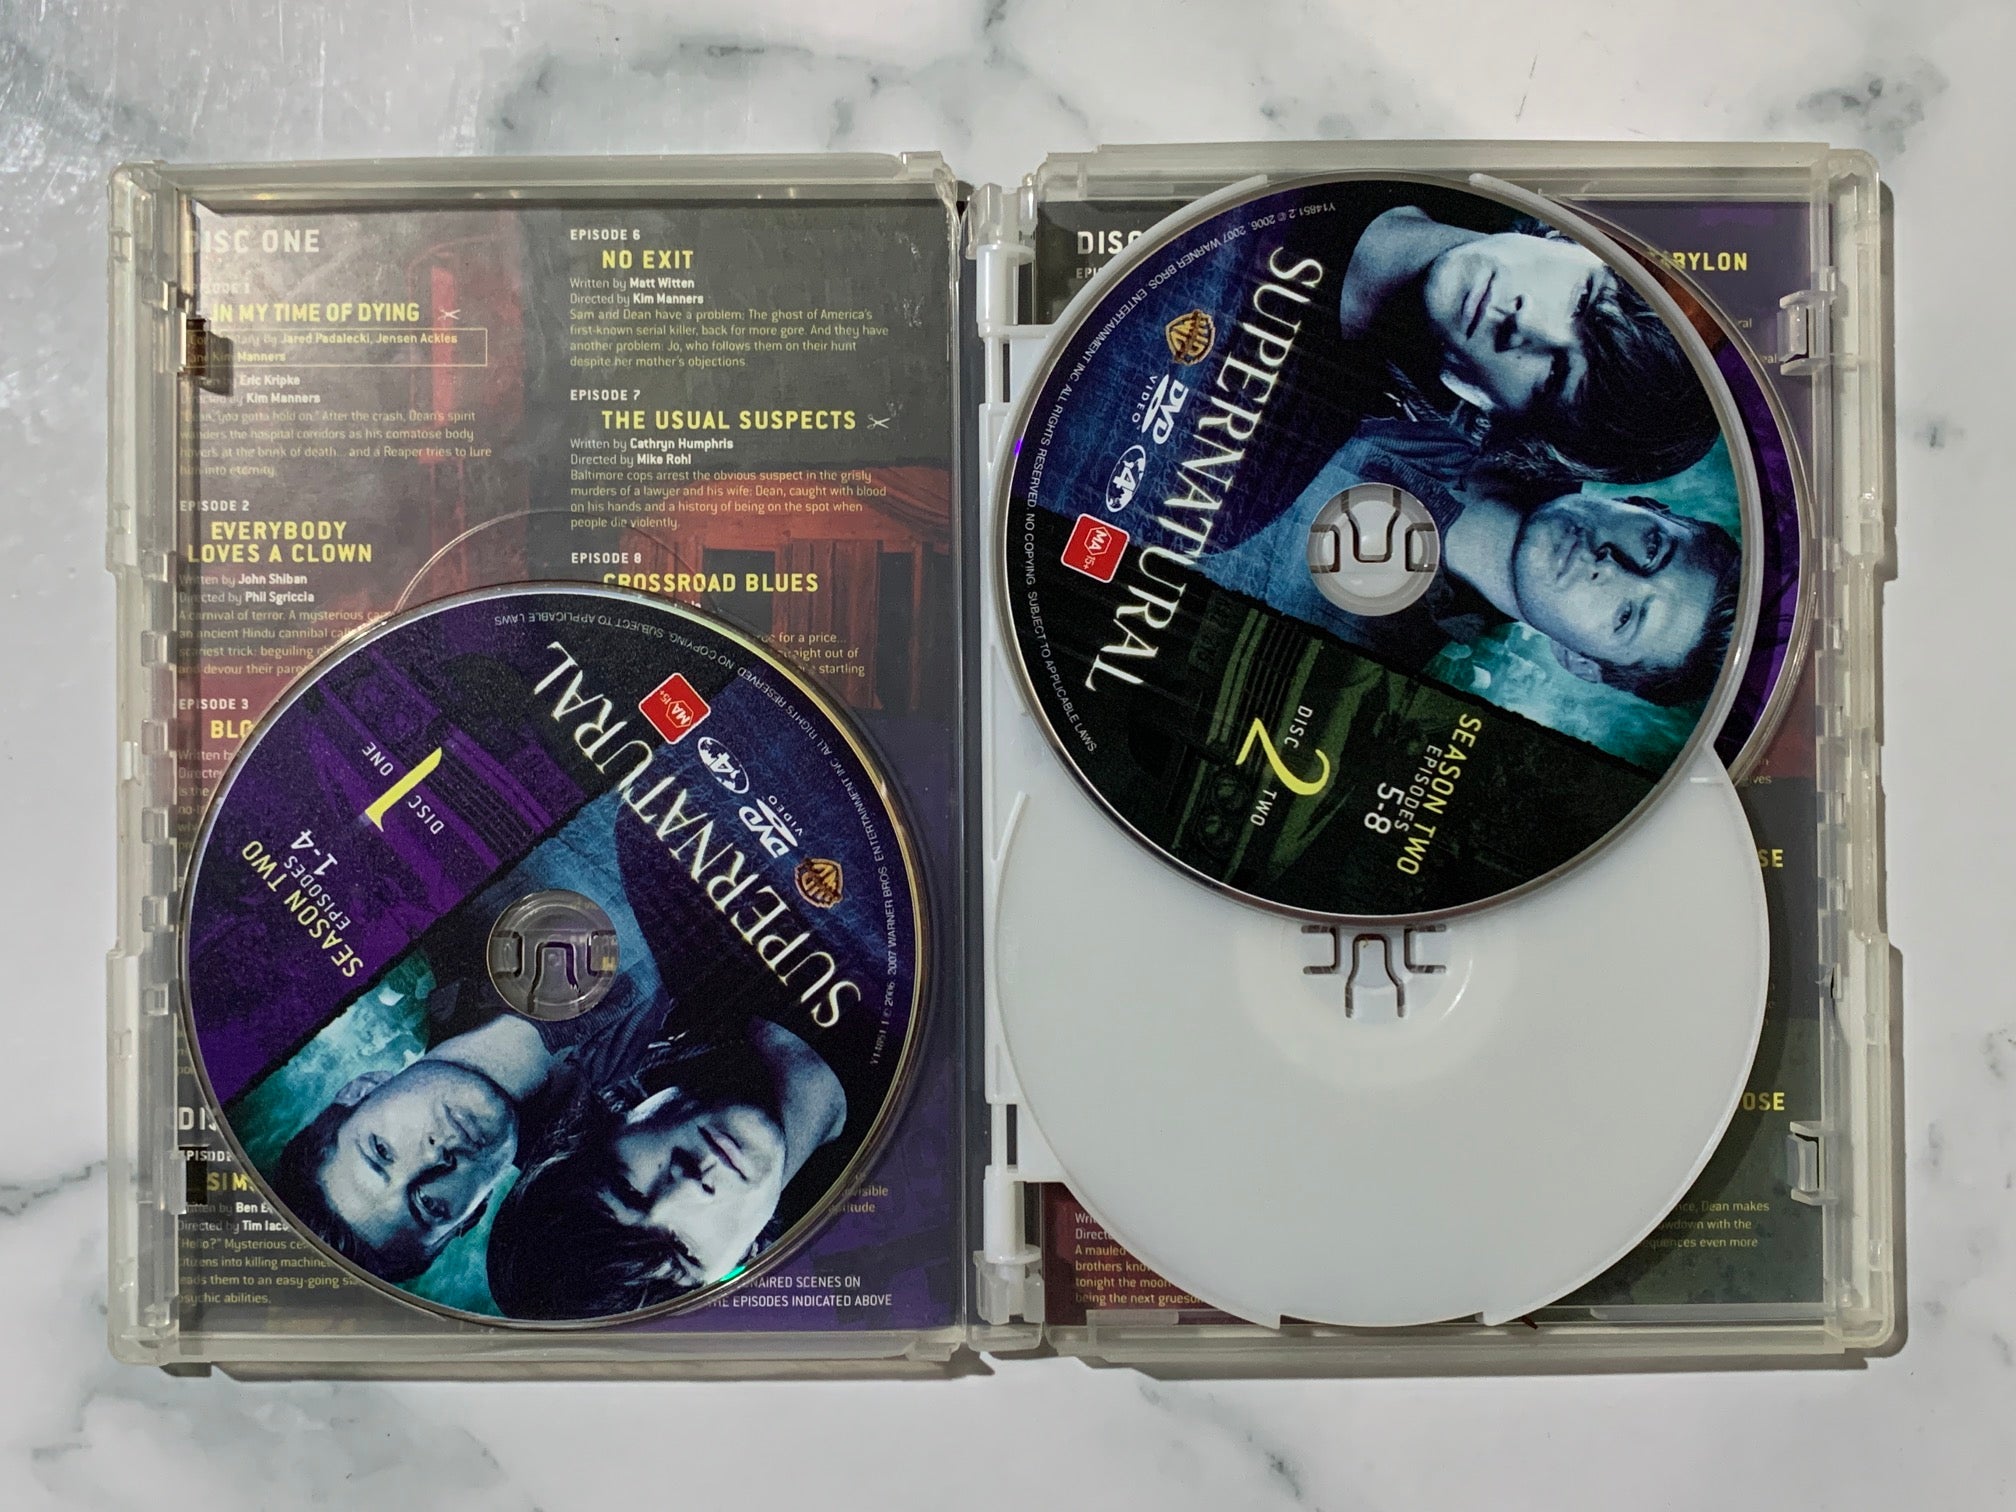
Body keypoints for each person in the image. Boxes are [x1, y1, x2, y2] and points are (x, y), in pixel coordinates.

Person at [1206, 418, 1741, 709]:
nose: (1610, 565)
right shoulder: (1510, 388)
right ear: (1644, 506)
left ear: (1580, 661)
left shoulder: (1343, 647)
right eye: (1652, 548)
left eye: (1626, 616)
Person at [485, 1014, 847, 1320]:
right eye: (685, 1252)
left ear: (600, 1129)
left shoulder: (683, 976)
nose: (685, 1186)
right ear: (742, 1263)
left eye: (627, 1189)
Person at [1336, 204, 1718, 484]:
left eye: (1553, 376)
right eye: (1583, 299)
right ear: (1573, 240)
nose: (1526, 323)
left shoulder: (1311, 422)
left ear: (1498, 421)